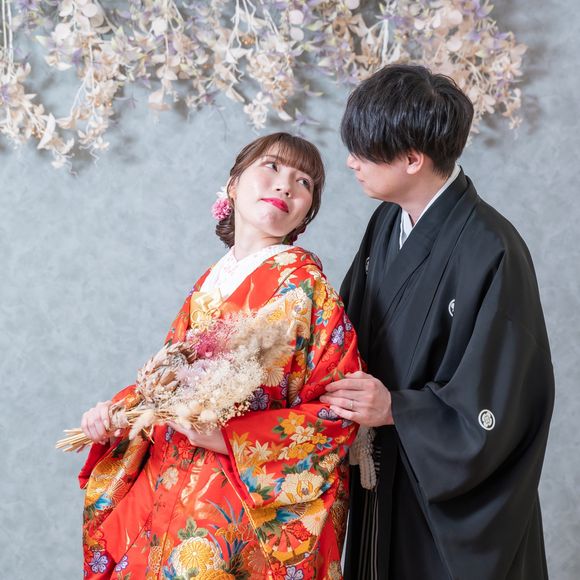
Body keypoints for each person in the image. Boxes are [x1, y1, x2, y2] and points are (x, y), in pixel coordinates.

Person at [79, 132, 361, 579]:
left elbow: (339, 413)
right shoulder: (209, 282)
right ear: (233, 185)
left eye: (304, 181)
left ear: (306, 213)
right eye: (272, 166)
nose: (286, 185)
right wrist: (118, 414)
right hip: (164, 488)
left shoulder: (308, 290)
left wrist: (232, 438)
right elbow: (166, 384)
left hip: (233, 509)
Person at [320, 65, 555, 579]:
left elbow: (502, 405)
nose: (351, 162)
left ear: (412, 159)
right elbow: (342, 330)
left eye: (363, 151)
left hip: (437, 492)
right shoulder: (387, 221)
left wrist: (397, 408)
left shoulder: (492, 248)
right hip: (382, 469)